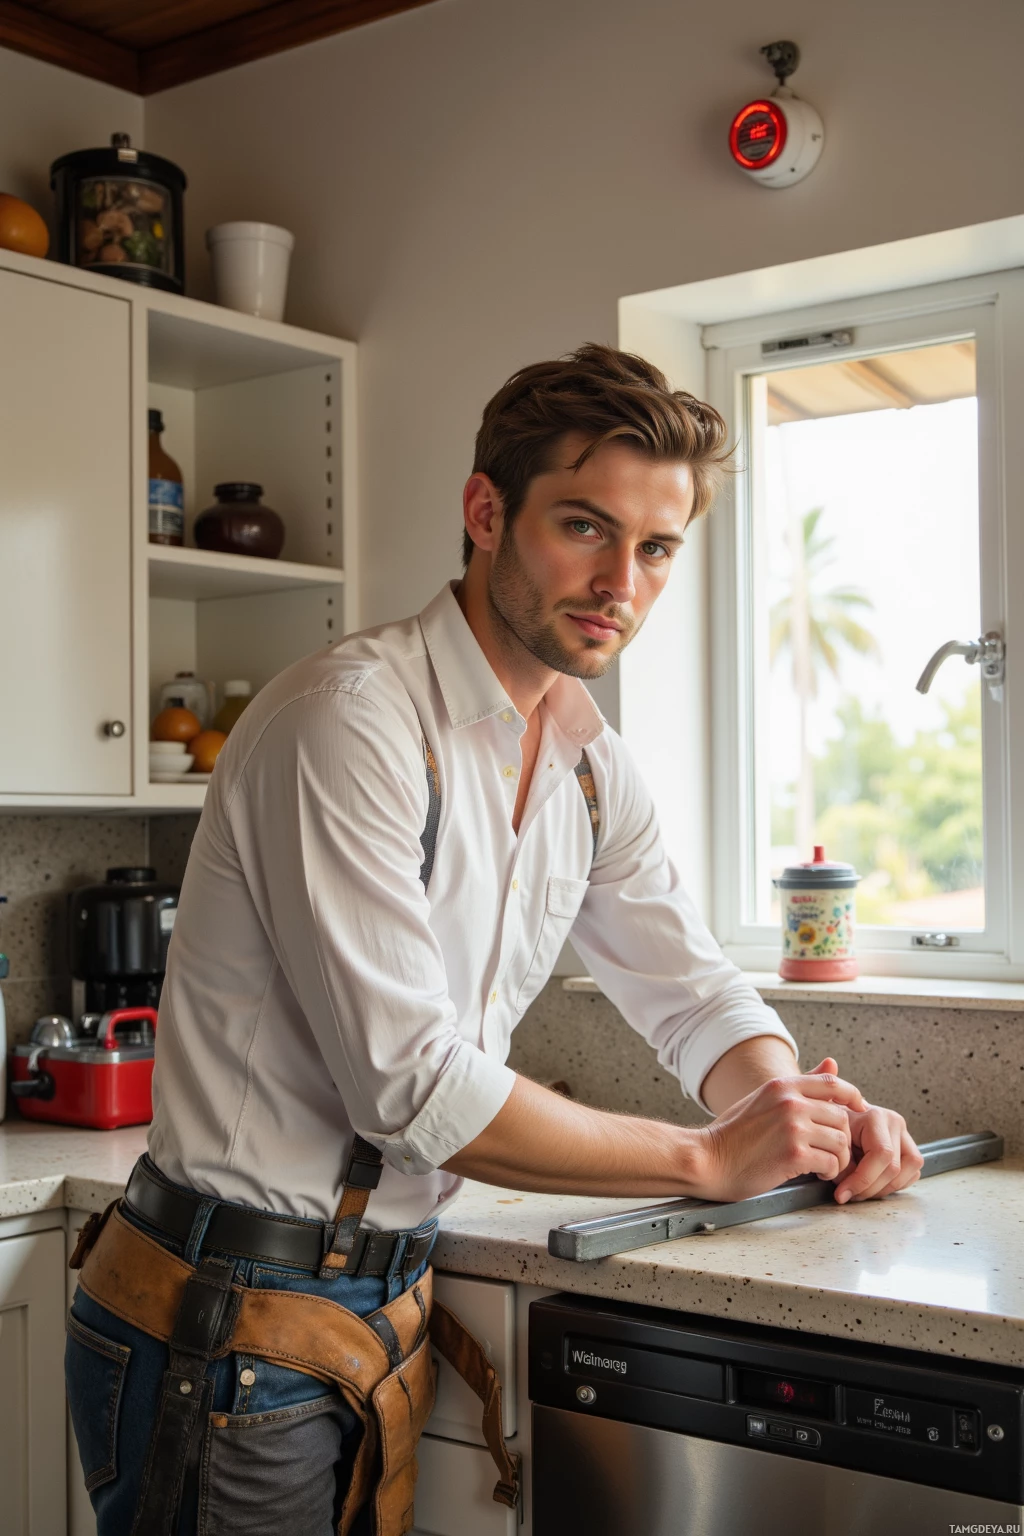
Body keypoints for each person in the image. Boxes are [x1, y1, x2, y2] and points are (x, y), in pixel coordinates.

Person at [66, 343, 922, 1535]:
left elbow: (690, 989)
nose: (622, 578)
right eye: (584, 526)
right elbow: (409, 1087)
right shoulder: (349, 722)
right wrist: (706, 1159)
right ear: (485, 512)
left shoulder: (582, 760)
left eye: (658, 547)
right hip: (227, 1325)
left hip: (373, 1305)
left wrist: (800, 1118)